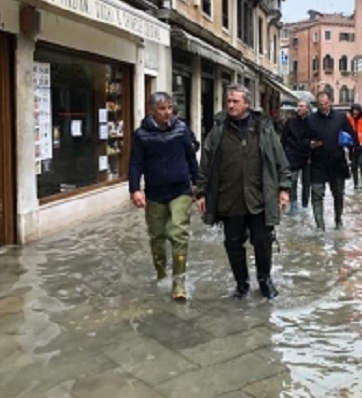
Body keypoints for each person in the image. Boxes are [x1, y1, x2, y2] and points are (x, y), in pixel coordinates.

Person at [196, 84, 291, 299]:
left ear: (246, 104)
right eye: (228, 101)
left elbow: (280, 160)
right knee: (232, 243)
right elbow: (206, 162)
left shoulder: (263, 128)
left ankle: (265, 280)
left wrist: (284, 189)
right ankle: (242, 284)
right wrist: (201, 192)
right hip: (229, 197)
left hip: (259, 197)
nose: (230, 105)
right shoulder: (218, 129)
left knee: (263, 240)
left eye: (235, 101)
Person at [129, 92, 199, 300]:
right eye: (162, 108)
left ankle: (179, 284)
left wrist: (198, 185)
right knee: (157, 237)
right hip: (155, 192)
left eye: (169, 107)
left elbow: (190, 157)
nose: (167, 112)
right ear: (151, 110)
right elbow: (135, 163)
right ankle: (161, 275)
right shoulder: (141, 135)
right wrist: (135, 189)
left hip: (180, 190)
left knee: (178, 233)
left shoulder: (181, 129)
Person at [305, 91, 358, 230]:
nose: (323, 107)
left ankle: (338, 220)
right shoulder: (310, 119)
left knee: (338, 195)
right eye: (320, 104)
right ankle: (320, 227)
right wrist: (310, 144)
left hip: (337, 162)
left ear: (331, 102)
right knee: (316, 195)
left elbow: (353, 136)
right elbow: (302, 139)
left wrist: (352, 150)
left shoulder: (341, 117)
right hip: (318, 163)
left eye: (326, 104)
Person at [280, 100, 311, 213]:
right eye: (298, 106)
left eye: (302, 106)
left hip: (307, 156)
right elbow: (283, 138)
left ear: (307, 109)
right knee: (292, 182)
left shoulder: (311, 122)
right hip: (292, 156)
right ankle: (293, 205)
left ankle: (305, 205)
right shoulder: (290, 122)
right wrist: (282, 155)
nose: (299, 108)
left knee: (306, 183)